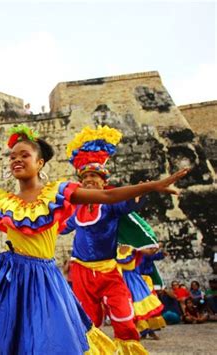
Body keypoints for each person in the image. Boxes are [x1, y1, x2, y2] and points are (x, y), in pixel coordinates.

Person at [0, 124, 187, 354]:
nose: (16, 160)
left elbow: (108, 195)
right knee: (7, 335)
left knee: (49, 337)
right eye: (12, 156)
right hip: (9, 277)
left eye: (24, 155)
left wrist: (153, 186)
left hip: (44, 278)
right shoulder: (2, 202)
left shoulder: (58, 193)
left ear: (40, 161)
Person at [61, 125, 160, 353]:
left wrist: (143, 189)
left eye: (94, 176)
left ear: (104, 181)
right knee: (87, 320)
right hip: (82, 271)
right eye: (85, 177)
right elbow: (61, 227)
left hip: (108, 270)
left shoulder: (110, 206)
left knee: (122, 313)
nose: (89, 180)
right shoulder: (76, 211)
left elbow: (128, 202)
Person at [116, 246, 165, 340]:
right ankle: (143, 330)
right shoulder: (121, 250)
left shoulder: (135, 250)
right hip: (126, 280)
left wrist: (157, 250)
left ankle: (149, 330)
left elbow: (150, 255)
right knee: (135, 307)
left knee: (143, 306)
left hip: (136, 280)